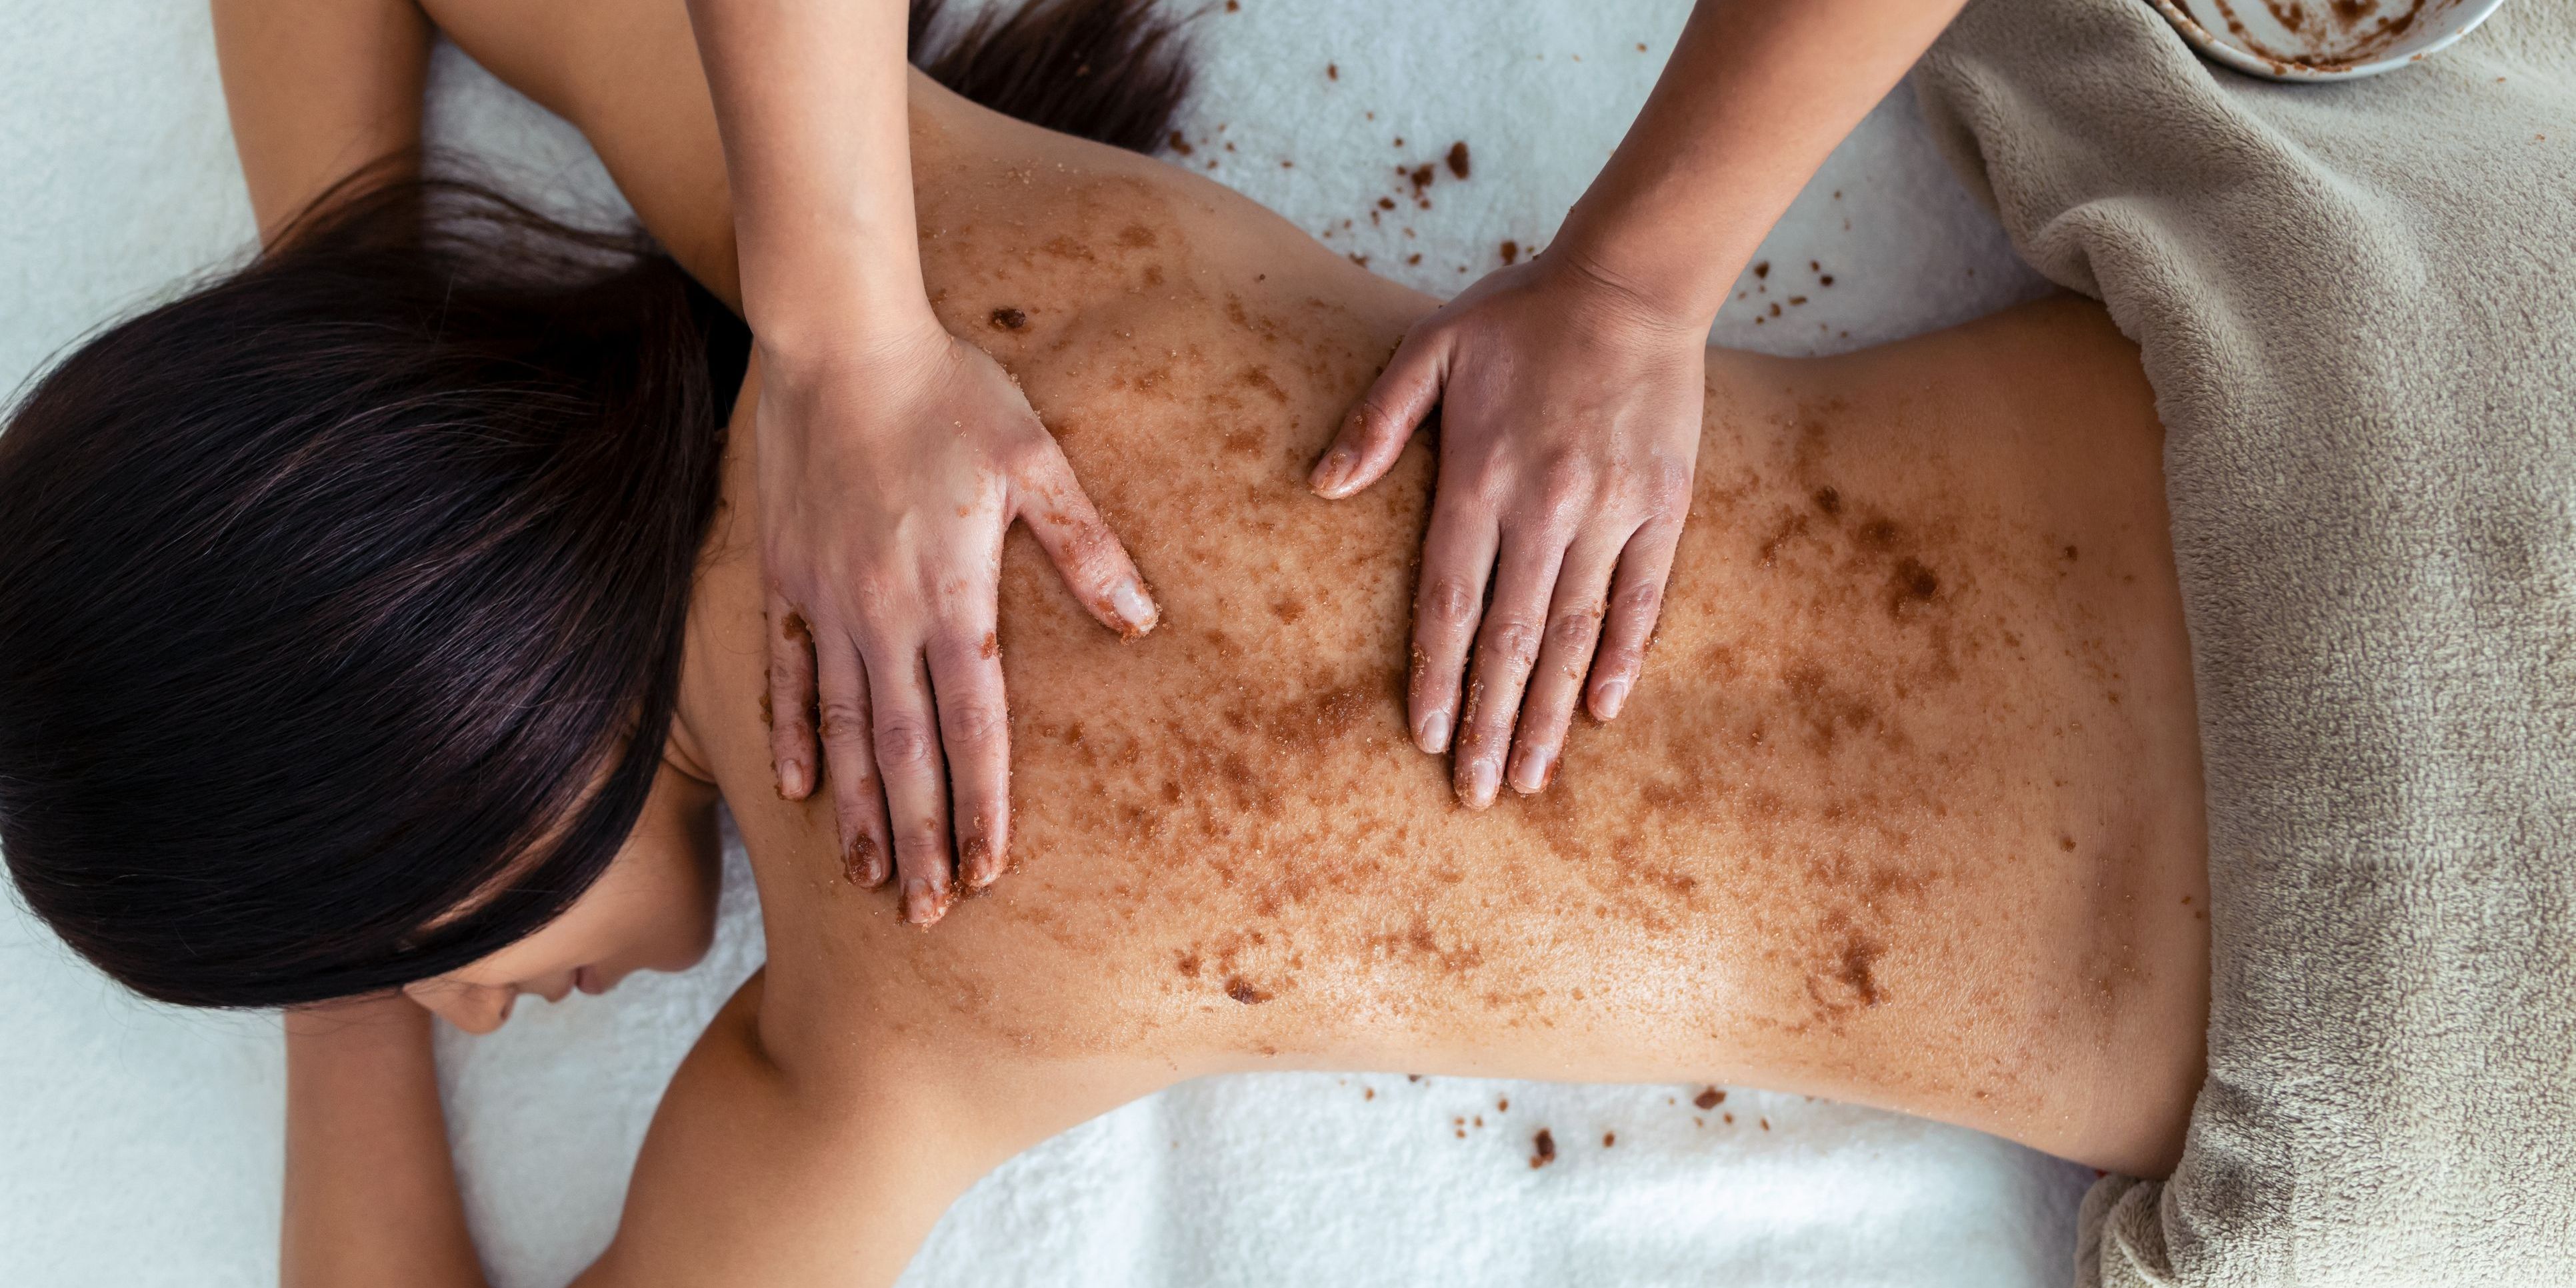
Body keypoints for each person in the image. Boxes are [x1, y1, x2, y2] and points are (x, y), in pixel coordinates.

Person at [0, 1, 2207, 1284]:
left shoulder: (879, 1043)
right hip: (2325, 422)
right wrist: (335, 312)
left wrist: (335, 1011)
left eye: (393, 942)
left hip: (2376, 1005)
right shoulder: (890, 251)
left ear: (401, 782)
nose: (451, 996)